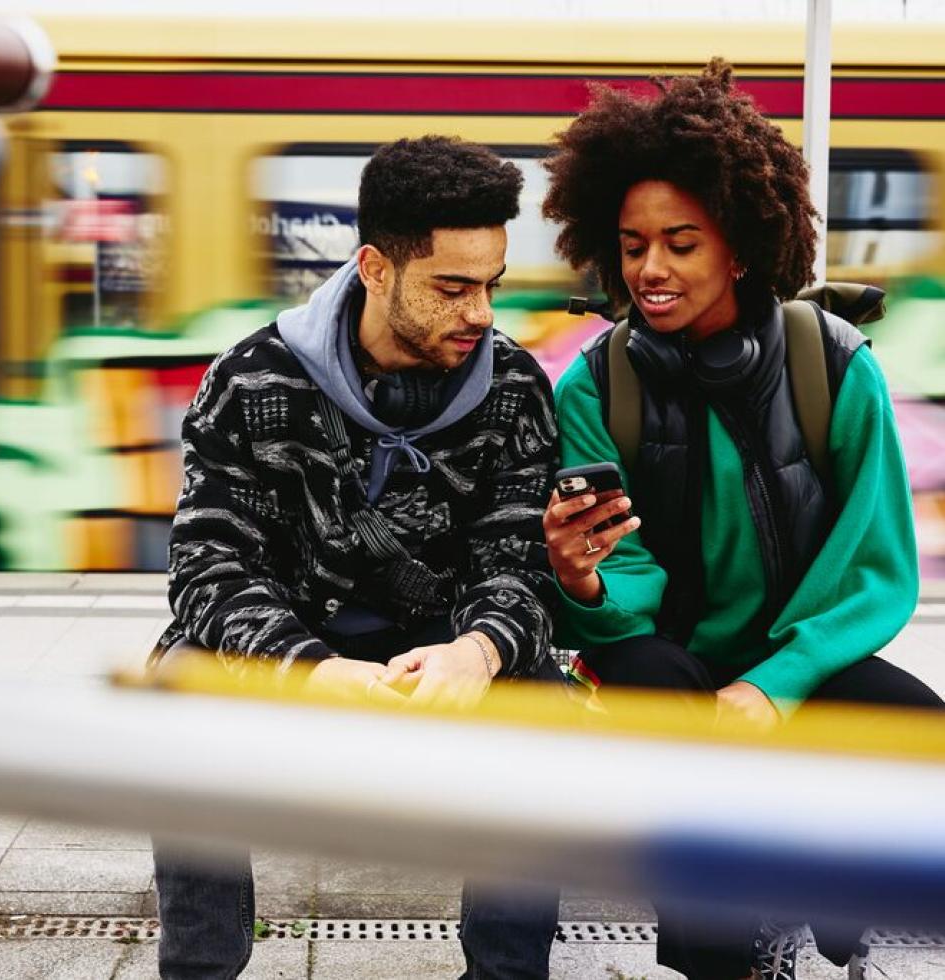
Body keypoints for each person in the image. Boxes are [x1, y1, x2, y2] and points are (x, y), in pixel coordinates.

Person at [540, 59, 944, 980]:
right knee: (657, 693)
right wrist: (582, 579)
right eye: (632, 244)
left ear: (738, 246)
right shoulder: (597, 384)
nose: (649, 268)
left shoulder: (834, 368)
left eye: (680, 242)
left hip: (797, 649)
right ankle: (725, 955)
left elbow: (871, 566)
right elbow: (621, 595)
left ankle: (830, 904)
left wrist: (776, 684)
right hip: (666, 657)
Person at [154, 135, 561, 979]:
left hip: (439, 655)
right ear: (375, 268)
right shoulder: (253, 379)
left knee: (543, 712)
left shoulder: (515, 390)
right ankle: (199, 969)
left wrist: (477, 651)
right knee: (175, 690)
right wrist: (308, 667)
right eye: (451, 288)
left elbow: (518, 564)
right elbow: (206, 565)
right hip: (296, 652)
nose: (480, 313)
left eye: (491, 285)